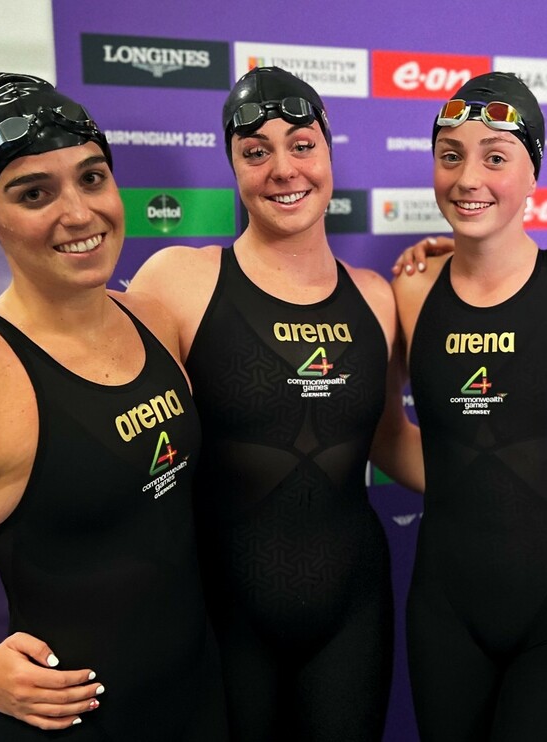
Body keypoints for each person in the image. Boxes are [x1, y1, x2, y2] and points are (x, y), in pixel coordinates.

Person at [0, 73, 227, 739]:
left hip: (197, 704)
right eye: (34, 193)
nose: (78, 213)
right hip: (65, 724)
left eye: (92, 178)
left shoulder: (154, 320)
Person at [127, 66, 422, 741]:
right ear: (234, 167)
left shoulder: (377, 297)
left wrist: (507, 480)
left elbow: (388, 438)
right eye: (256, 151)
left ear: (328, 153)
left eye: (301, 145)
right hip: (224, 609)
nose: (283, 169)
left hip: (352, 608)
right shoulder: (178, 281)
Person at [390, 72, 547, 741]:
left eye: (495, 156)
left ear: (533, 176)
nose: (469, 178)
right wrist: (469, 478)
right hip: (446, 608)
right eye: (450, 156)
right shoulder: (410, 289)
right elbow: (382, 434)